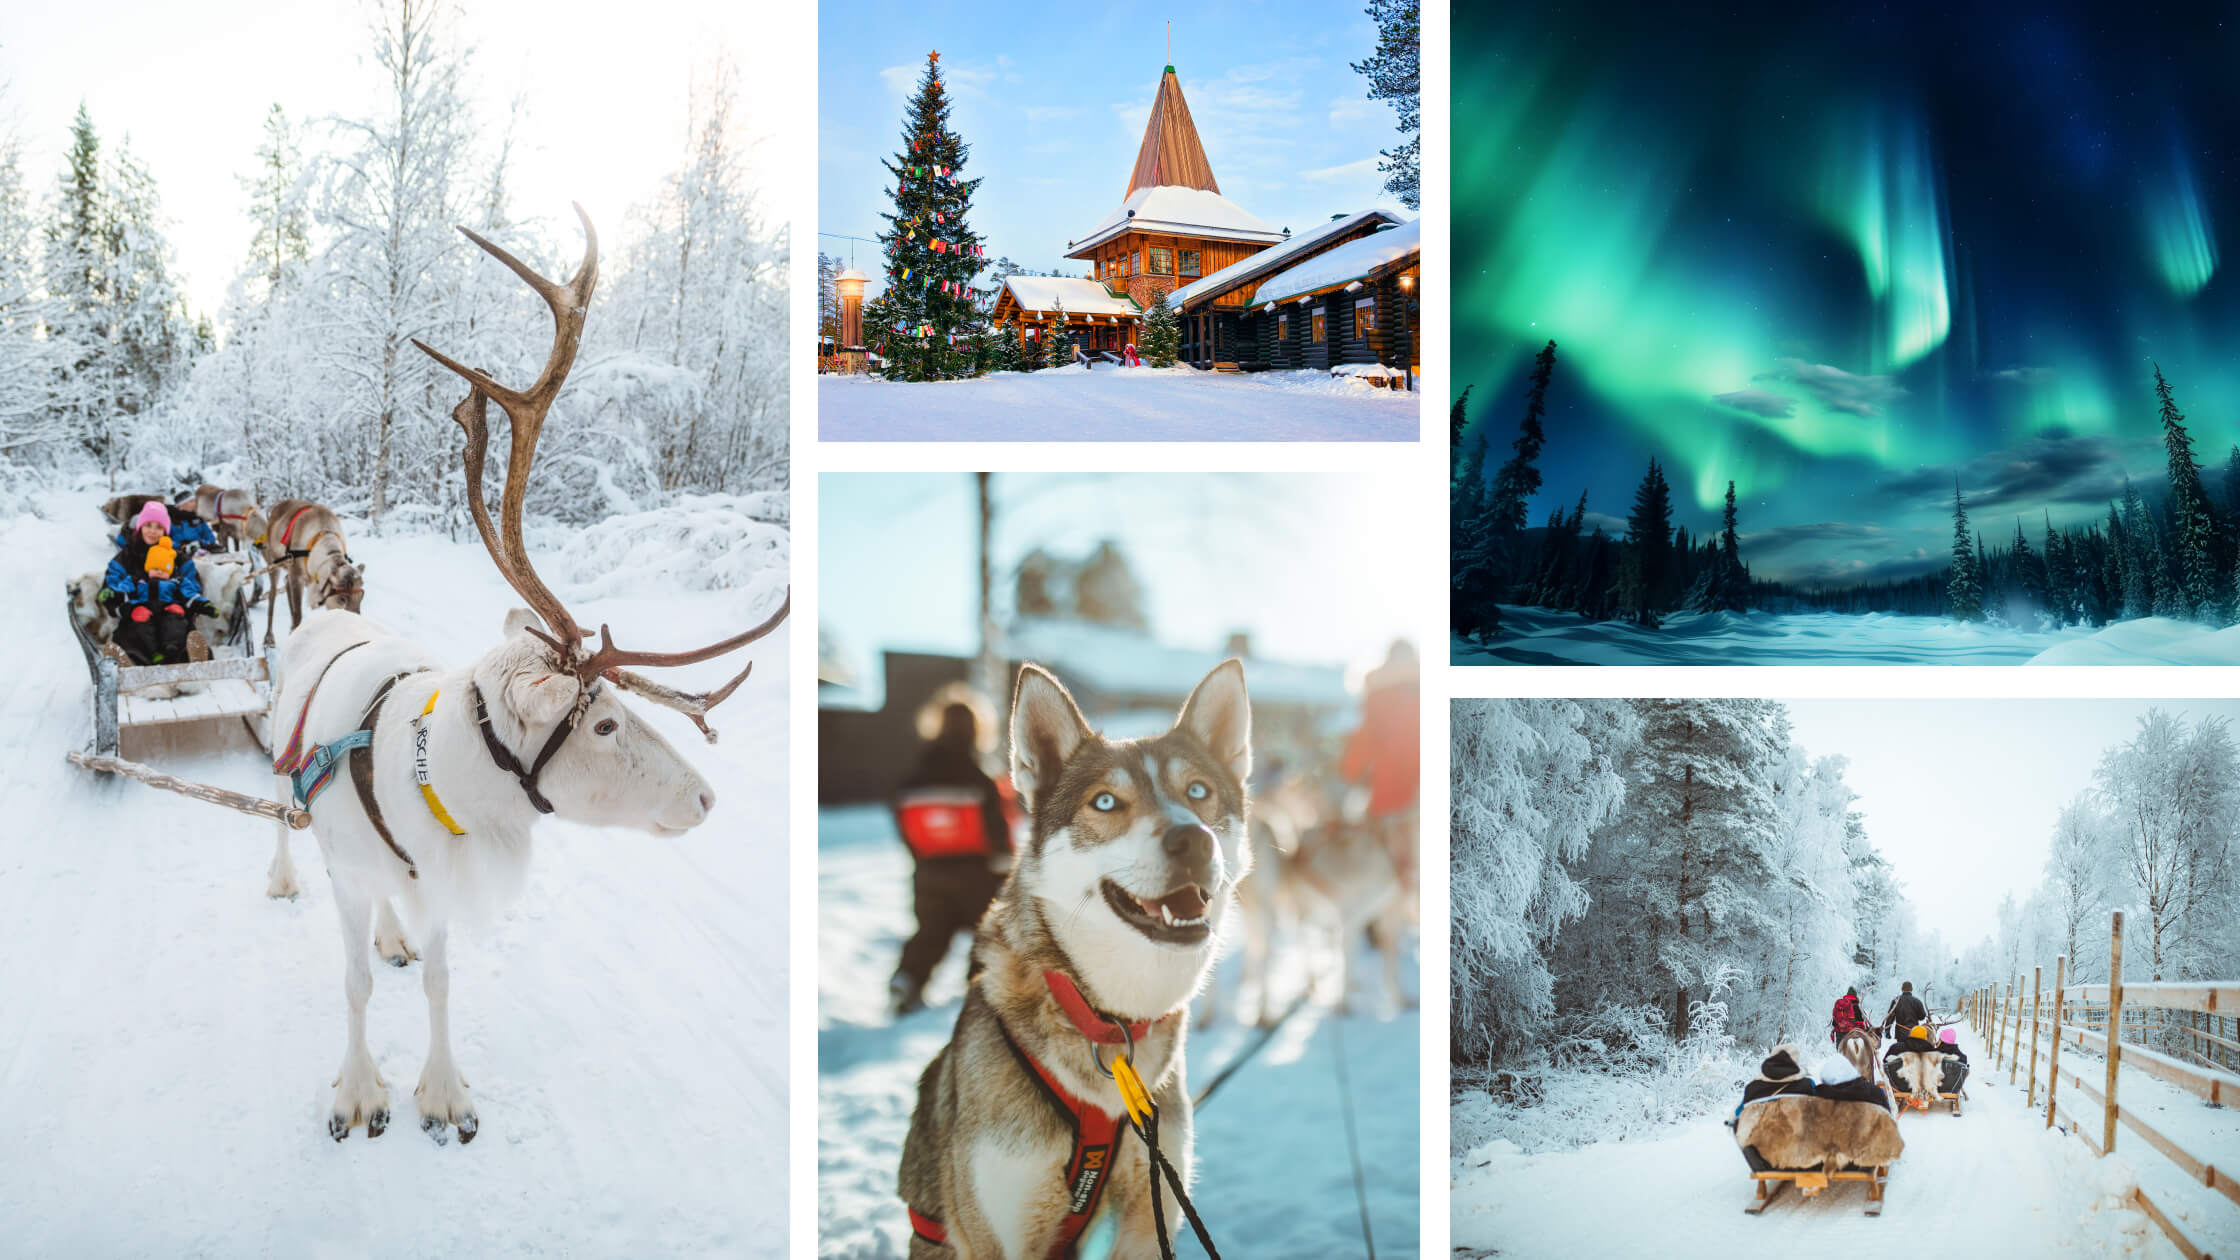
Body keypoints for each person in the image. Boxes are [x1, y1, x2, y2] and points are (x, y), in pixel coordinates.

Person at [889, 692, 1013, 1017]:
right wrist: (1004, 865)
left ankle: (907, 980)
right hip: (978, 874)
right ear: (977, 730)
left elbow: (902, 819)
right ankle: (979, 992)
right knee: (986, 936)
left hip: (930, 871)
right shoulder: (978, 777)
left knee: (930, 933)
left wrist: (920, 858)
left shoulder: (915, 777)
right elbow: (996, 827)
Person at [1341, 639, 1421, 887]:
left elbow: (1365, 741)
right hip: (1420, 791)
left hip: (1390, 793)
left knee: (1384, 863)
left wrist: (1350, 772)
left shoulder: (1379, 695)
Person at [102, 502, 214, 666]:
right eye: (148, 525)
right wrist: (130, 608)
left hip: (172, 613)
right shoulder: (126, 557)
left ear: (165, 532)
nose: (153, 531)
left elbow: (192, 585)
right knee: (134, 633)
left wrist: (183, 606)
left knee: (178, 631)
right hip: (136, 616)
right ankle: (130, 663)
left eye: (158, 527)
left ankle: (192, 662)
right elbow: (111, 588)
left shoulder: (178, 558)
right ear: (140, 527)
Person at [1880, 980, 1930, 1044]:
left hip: (1900, 1033)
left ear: (1902, 989)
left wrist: (1887, 1031)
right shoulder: (1917, 1001)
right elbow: (1922, 1016)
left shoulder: (1896, 1001)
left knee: (1902, 1052)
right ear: (1911, 990)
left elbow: (1890, 1017)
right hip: (1914, 1032)